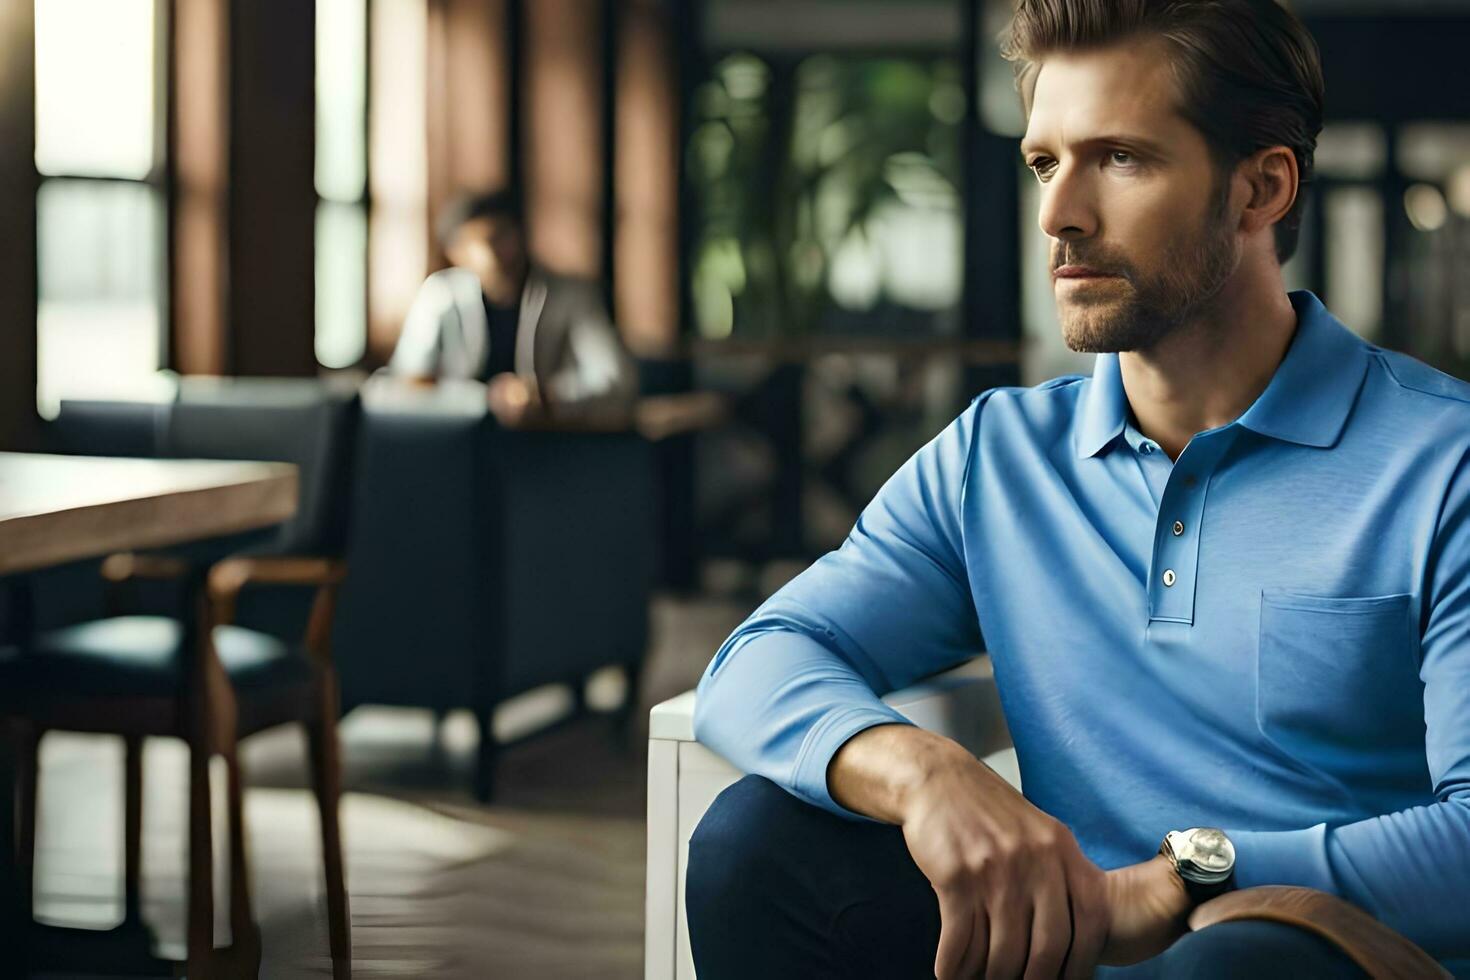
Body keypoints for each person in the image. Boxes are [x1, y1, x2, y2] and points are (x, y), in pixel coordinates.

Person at [686, 1, 1470, 978]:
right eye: (1045, 163)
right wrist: (928, 772)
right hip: (1067, 951)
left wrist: (1189, 879)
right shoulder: (998, 457)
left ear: (1260, 187)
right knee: (755, 845)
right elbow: (761, 655)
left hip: (1315, 955)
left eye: (1122, 158)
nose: (1059, 214)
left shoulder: (1445, 463)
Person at [387, 189, 637, 427]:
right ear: (455, 253)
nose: (491, 253)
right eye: (476, 243)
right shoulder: (441, 295)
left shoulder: (571, 296)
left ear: (521, 235)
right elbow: (407, 377)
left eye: (500, 237)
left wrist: (546, 398)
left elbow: (617, 383)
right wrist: (484, 399)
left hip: (550, 444)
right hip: (461, 444)